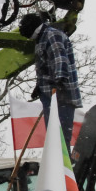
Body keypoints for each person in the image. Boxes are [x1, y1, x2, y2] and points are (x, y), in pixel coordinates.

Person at [19, 12, 82, 146]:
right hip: (50, 95)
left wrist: (60, 81)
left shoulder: (51, 35)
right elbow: (45, 66)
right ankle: (60, 162)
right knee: (54, 138)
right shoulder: (41, 39)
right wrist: (39, 86)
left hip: (61, 96)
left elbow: (59, 59)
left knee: (60, 139)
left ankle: (63, 165)